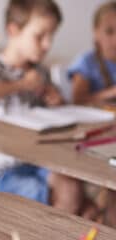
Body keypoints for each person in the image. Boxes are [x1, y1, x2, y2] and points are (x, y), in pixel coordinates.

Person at [0, 0, 98, 219]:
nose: (47, 44)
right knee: (70, 199)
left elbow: (57, 118)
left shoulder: (41, 72)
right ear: (14, 30)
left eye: (51, 36)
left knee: (84, 203)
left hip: (38, 161)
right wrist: (22, 84)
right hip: (1, 166)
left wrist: (58, 102)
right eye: (40, 36)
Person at [68, 1, 116, 227]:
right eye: (109, 32)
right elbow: (77, 100)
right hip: (91, 143)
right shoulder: (87, 62)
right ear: (96, 32)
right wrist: (109, 93)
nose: (115, 39)